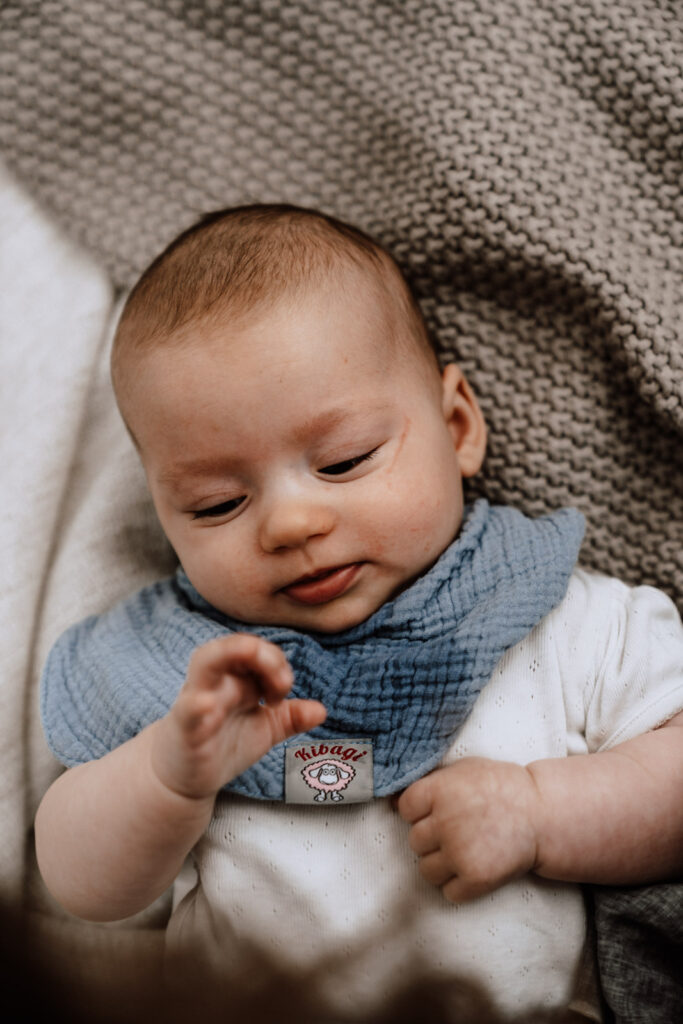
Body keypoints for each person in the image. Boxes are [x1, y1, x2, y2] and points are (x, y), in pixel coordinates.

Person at [35, 205, 683, 1021]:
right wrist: (168, 773)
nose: (289, 524)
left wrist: (541, 811)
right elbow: (78, 887)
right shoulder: (182, 678)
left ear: (456, 427)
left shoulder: (547, 616)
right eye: (216, 503)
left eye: (343, 461)